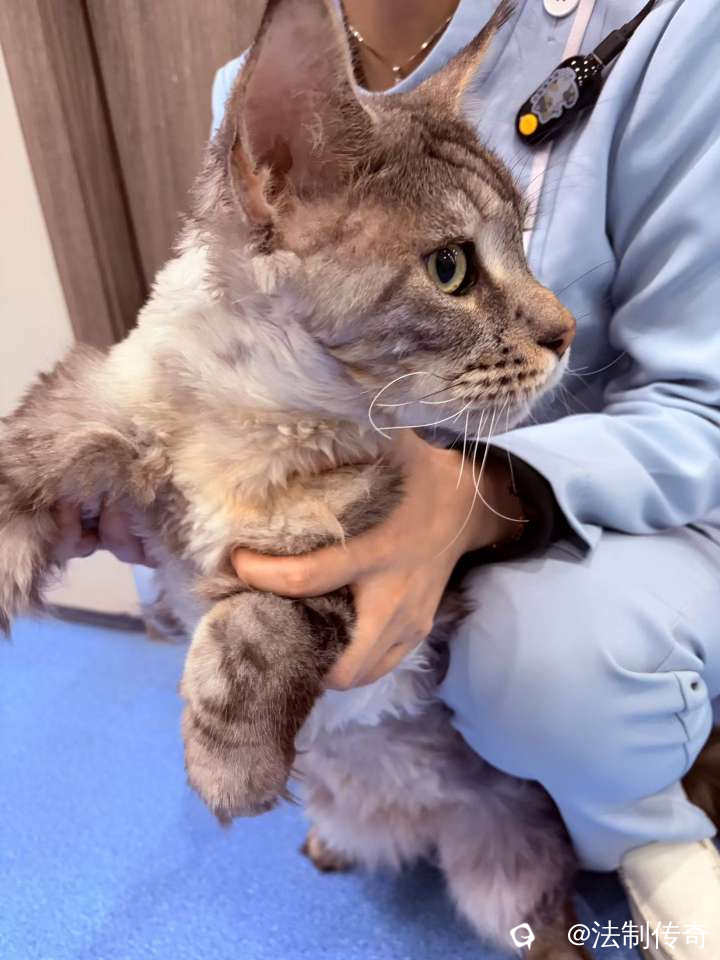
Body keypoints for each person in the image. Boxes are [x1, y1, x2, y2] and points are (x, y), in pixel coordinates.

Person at [58, 1, 720, 956]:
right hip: (367, 510)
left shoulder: (672, 26)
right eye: (455, 265)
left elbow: (700, 411)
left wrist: (479, 494)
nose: (557, 323)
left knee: (534, 662)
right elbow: (232, 358)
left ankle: (646, 825)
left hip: (624, 516)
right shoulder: (255, 93)